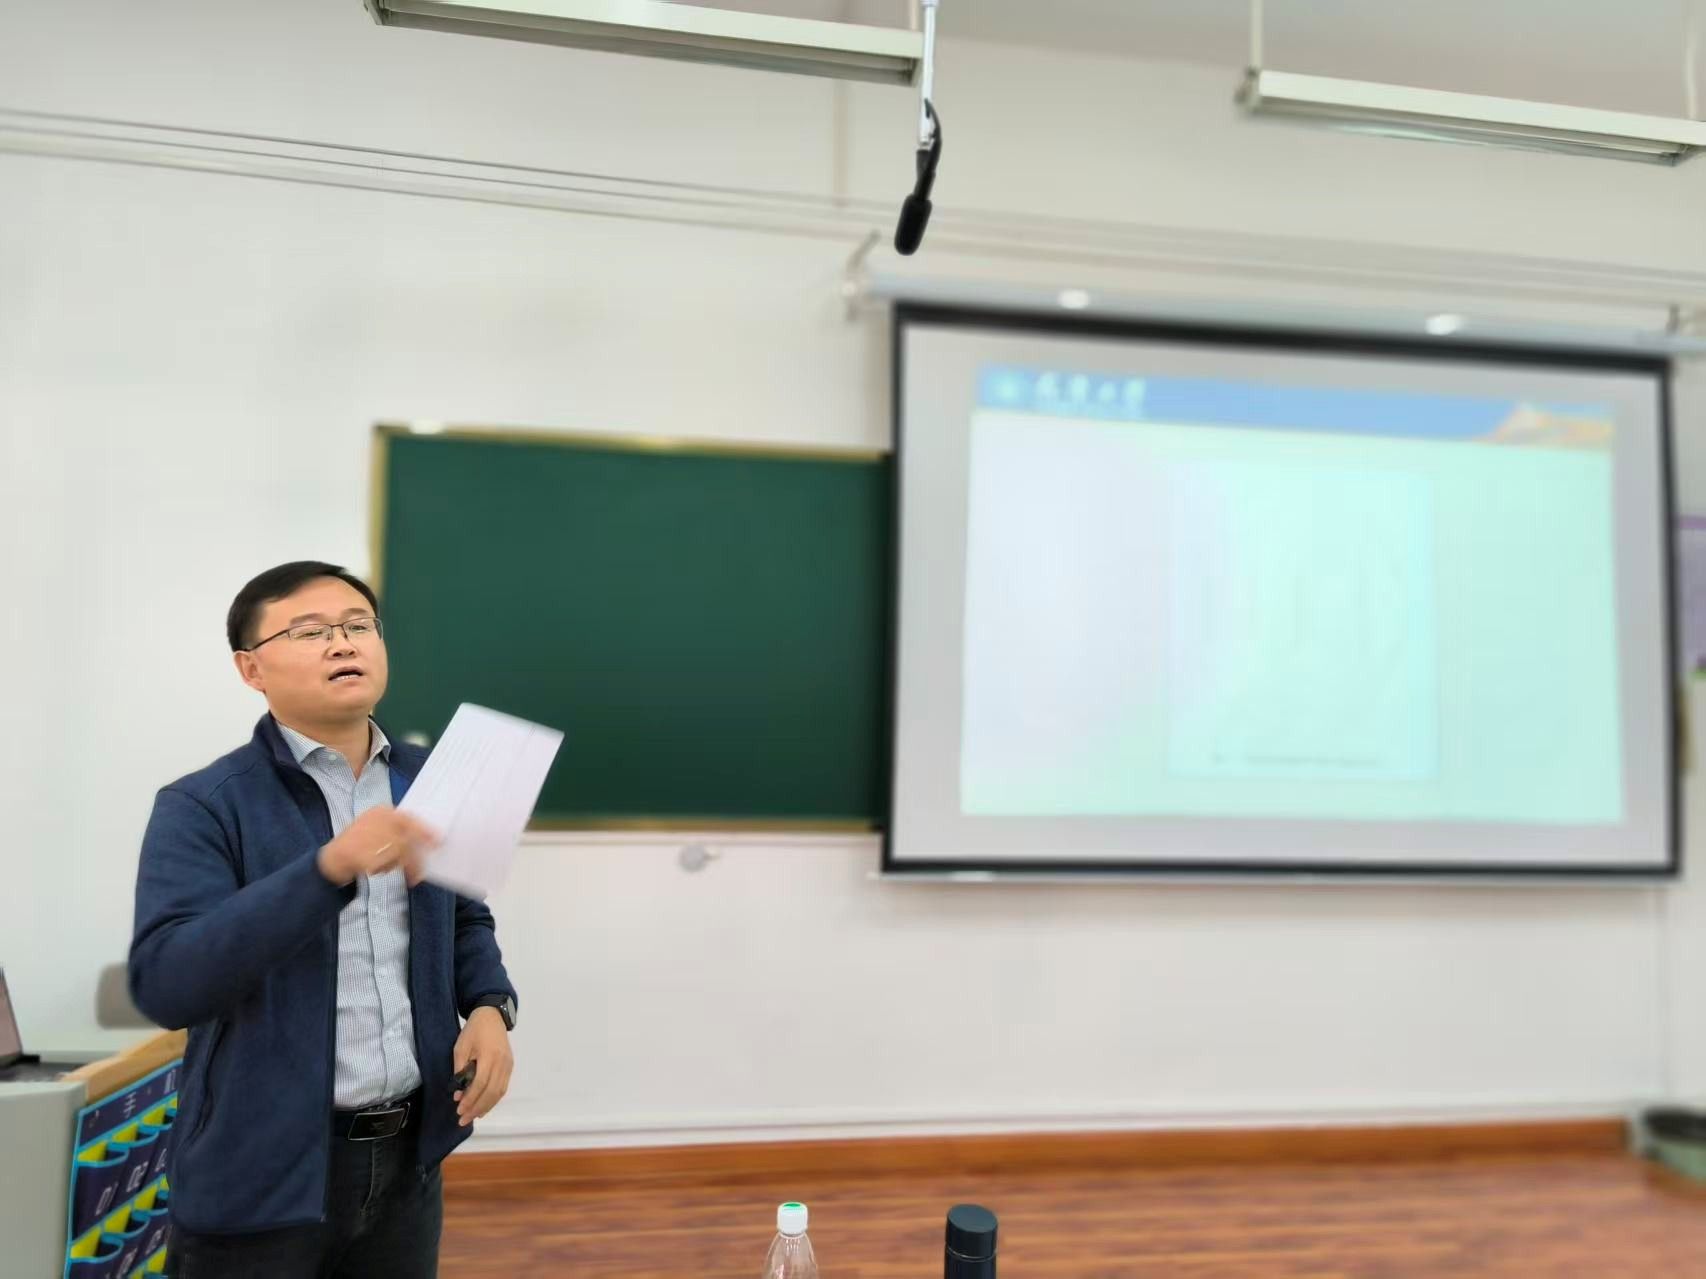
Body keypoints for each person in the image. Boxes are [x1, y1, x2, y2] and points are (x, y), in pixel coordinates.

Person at [129, 560, 519, 1278]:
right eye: (309, 632)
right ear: (251, 668)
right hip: (258, 1180)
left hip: (409, 1163)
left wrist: (492, 1006)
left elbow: (465, 917)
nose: (343, 643)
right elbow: (167, 984)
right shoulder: (203, 804)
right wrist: (327, 869)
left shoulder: (431, 778)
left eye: (358, 625)